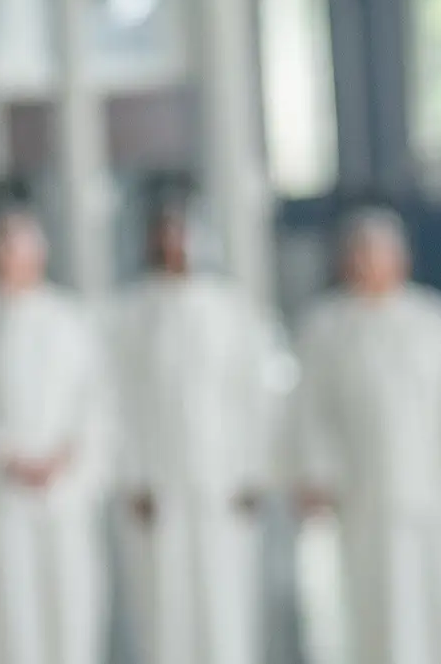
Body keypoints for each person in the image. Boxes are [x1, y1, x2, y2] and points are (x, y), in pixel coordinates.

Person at [288, 208, 441, 664]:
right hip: (362, 495)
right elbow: (311, 411)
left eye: (376, 253)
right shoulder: (326, 327)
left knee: (437, 602)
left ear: (400, 259)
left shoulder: (434, 319)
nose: (365, 263)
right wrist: (315, 475)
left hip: (431, 492)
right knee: (370, 605)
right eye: (358, 253)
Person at [113, 176, 280, 664]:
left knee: (225, 604)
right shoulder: (131, 314)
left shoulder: (231, 310)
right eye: (164, 231)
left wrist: (254, 470)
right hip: (158, 484)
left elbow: (255, 396)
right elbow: (117, 400)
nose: (173, 243)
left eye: (182, 231)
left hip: (222, 482)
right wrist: (132, 474)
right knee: (163, 608)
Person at [0, 181, 112, 664]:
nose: (7, 255)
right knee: (7, 620)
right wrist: (6, 455)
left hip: (63, 496)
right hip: (1, 498)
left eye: (17, 242)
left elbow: (95, 402)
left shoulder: (70, 320)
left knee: (69, 616)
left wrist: (63, 459)